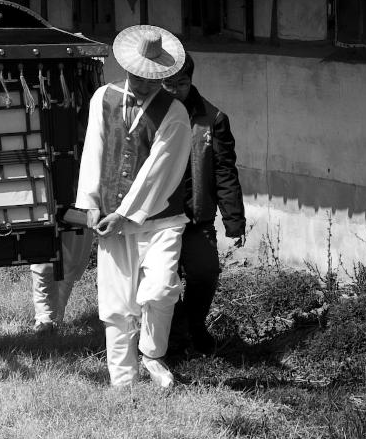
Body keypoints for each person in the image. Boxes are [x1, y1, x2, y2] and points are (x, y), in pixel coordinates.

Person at [76, 24, 191, 391]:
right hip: (111, 218)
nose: (141, 84)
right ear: (127, 68)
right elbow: (92, 152)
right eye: (136, 76)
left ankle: (152, 353)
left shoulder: (174, 113)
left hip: (160, 219)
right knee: (116, 304)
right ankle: (122, 382)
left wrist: (125, 213)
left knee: (158, 290)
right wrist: (91, 204)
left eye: (149, 78)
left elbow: (160, 171)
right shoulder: (103, 98)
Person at [162, 53, 245, 360]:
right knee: (162, 281)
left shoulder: (213, 118)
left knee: (205, 272)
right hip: (158, 218)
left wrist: (233, 219)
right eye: (167, 83)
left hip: (197, 218)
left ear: (191, 81)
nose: (174, 90)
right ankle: (171, 339)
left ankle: (193, 326)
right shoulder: (150, 114)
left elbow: (225, 171)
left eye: (181, 83)